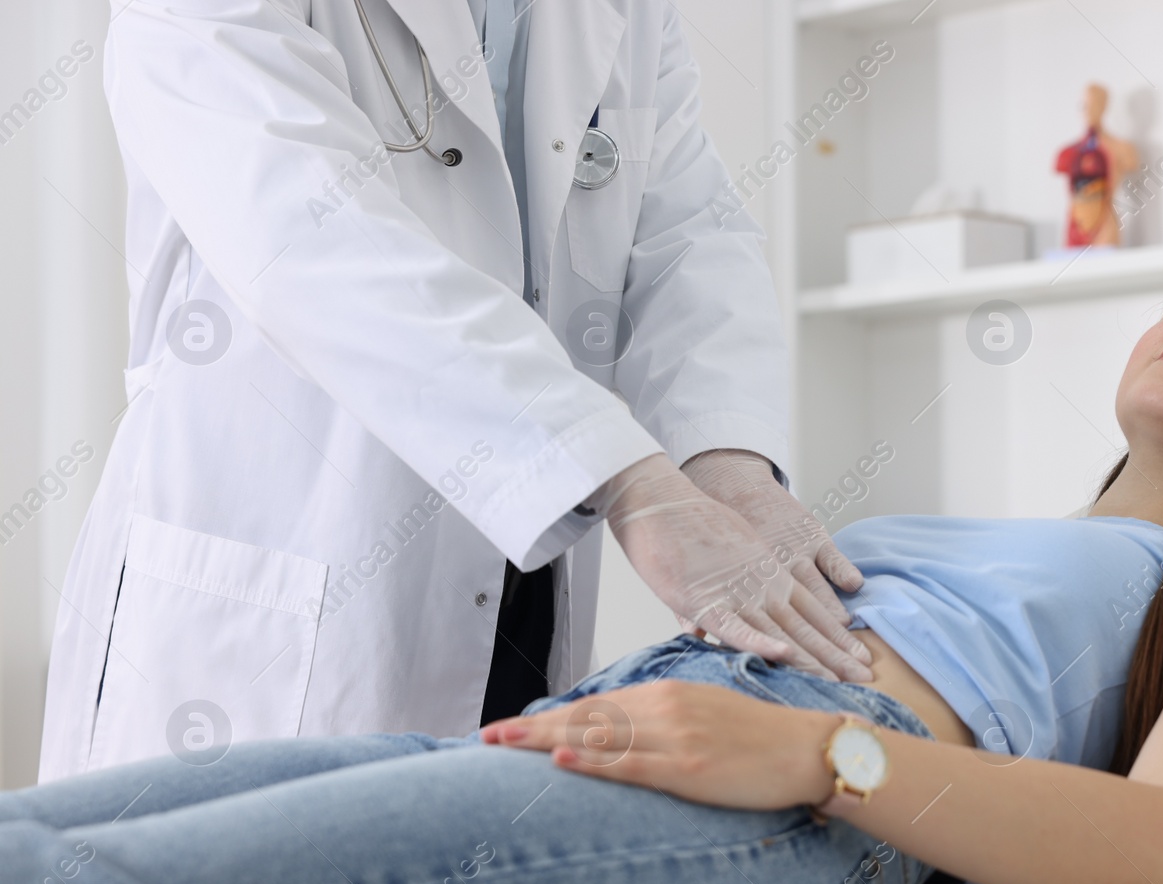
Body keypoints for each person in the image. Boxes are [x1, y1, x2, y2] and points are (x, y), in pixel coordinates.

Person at [0, 247, 1163, 884]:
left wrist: (819, 751)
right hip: (622, 735)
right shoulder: (1014, 535)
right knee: (38, 851)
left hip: (779, 830)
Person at [37, 0, 873, 783]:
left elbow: (688, 232)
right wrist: (633, 480)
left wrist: (728, 463)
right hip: (276, 609)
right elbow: (311, 241)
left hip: (525, 583)